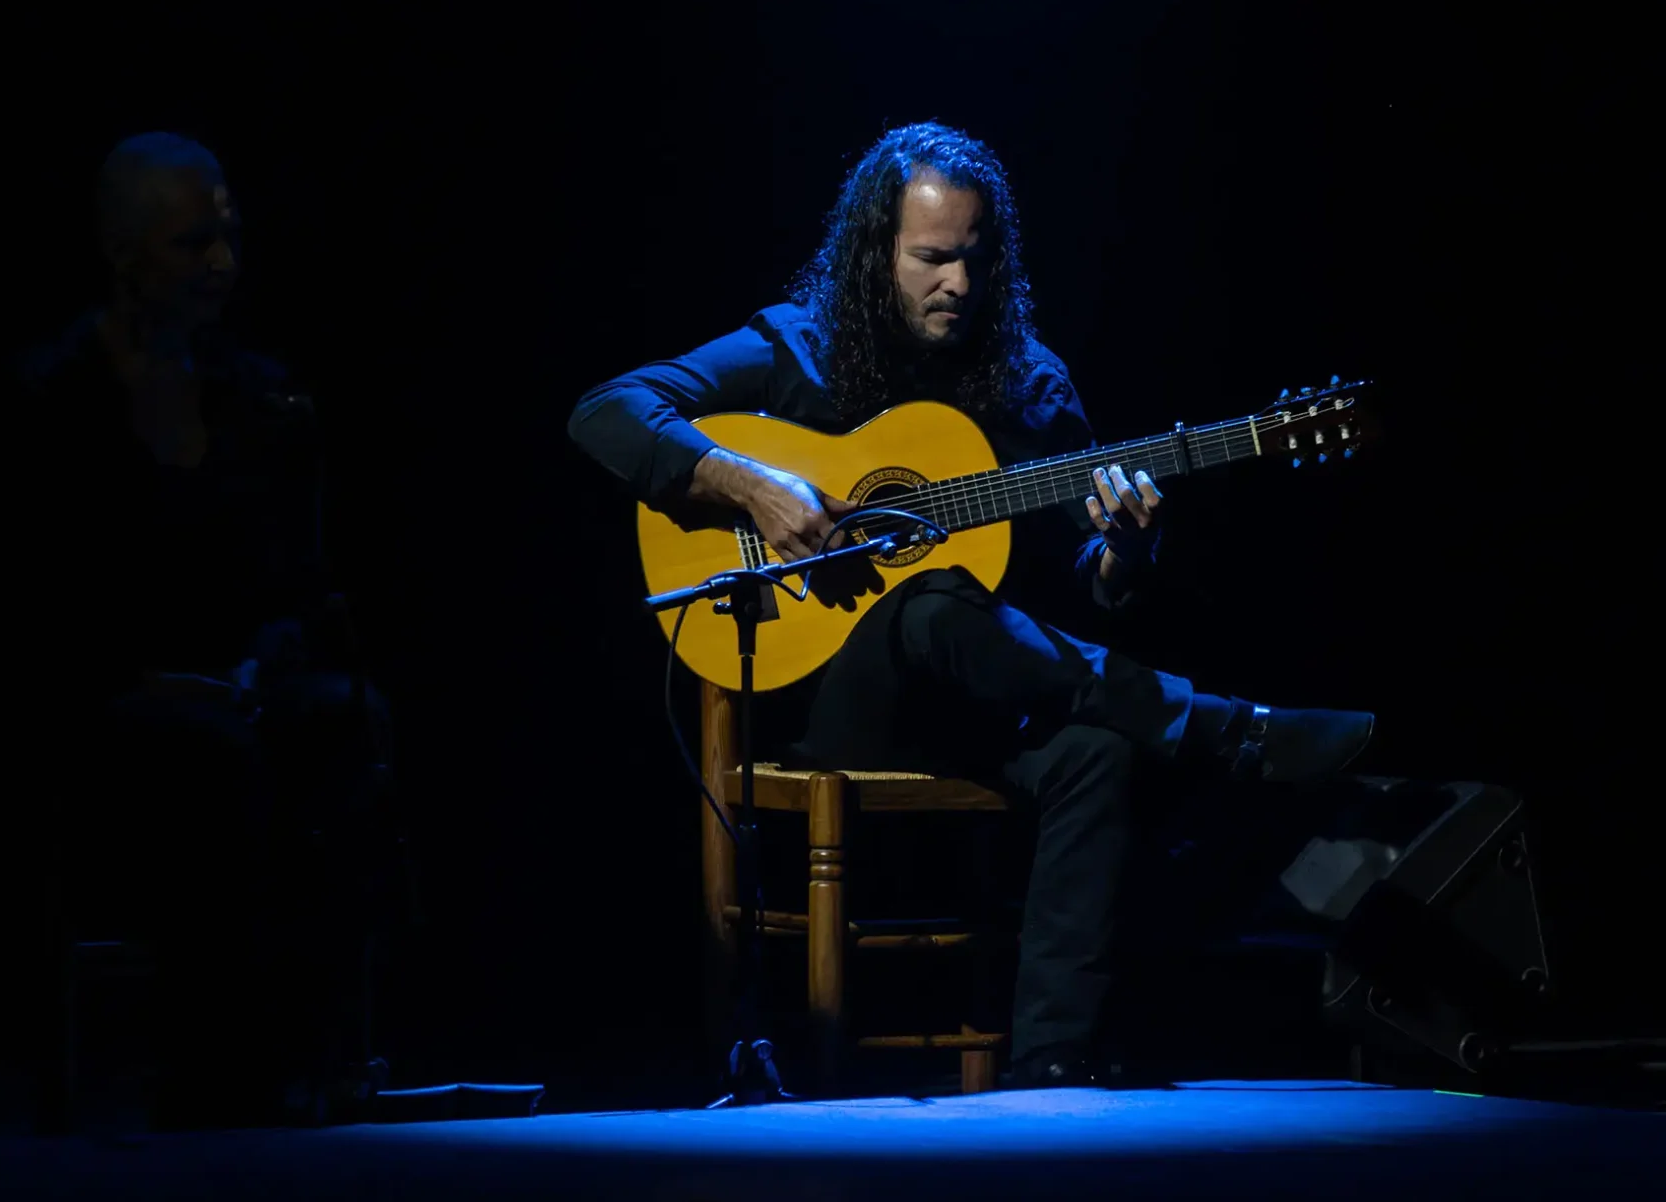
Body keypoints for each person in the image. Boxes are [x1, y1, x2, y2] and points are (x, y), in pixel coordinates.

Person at [568, 122, 1377, 1087]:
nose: (958, 281)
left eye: (975, 256)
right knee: (931, 602)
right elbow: (605, 409)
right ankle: (1226, 731)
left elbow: (1083, 593)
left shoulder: (1029, 384)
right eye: (932, 258)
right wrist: (749, 483)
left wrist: (1124, 550)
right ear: (879, 252)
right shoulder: (799, 348)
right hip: (826, 702)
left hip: (976, 706)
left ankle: (1051, 1064)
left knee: (1096, 747)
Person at [0, 132, 388, 1128]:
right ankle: (215, 1080)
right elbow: (27, 606)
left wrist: (268, 647)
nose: (223, 265)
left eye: (229, 238)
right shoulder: (52, 397)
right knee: (209, 756)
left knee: (340, 721)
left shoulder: (252, 392)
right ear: (126, 255)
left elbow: (294, 578)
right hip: (97, 698)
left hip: (231, 685)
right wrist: (154, 677)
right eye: (195, 245)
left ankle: (325, 1056)